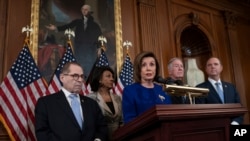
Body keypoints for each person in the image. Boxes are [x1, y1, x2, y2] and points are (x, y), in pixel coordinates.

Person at [35, 62, 108, 141]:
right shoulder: (45, 103)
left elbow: (102, 127)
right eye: (75, 76)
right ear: (62, 78)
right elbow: (42, 133)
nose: (80, 80)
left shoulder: (91, 103)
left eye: (82, 76)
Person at [46, 4, 102, 77]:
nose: (84, 11)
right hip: (79, 50)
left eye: (86, 9)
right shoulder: (78, 22)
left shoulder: (95, 25)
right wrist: (56, 28)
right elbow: (67, 26)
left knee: (89, 71)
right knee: (79, 70)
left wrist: (99, 48)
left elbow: (99, 37)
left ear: (90, 11)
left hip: (90, 51)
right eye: (83, 9)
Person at [122, 51, 172, 124]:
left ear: (156, 68)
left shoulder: (162, 89)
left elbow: (170, 114)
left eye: (152, 64)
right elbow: (129, 121)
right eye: (143, 65)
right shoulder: (130, 91)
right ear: (138, 69)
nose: (148, 68)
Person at [196, 57, 243, 125]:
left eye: (216, 64)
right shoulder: (200, 88)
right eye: (209, 65)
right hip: (213, 128)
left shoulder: (231, 87)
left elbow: (239, 108)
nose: (213, 66)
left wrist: (235, 123)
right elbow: (200, 112)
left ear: (221, 68)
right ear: (206, 69)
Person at [87, 66, 123, 140]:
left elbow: (122, 121)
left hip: (119, 137)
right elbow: (90, 124)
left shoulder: (117, 98)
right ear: (100, 79)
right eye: (108, 76)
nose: (112, 79)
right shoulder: (91, 98)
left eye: (112, 76)